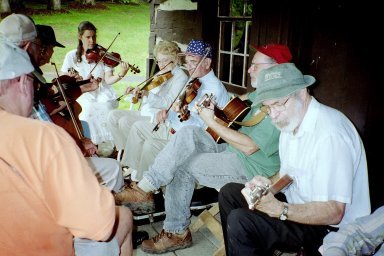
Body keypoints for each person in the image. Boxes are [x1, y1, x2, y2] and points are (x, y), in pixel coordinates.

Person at [117, 43, 292, 254]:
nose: (248, 69)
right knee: (188, 133)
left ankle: (177, 231)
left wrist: (212, 120)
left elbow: (249, 148)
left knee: (183, 164)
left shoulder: (281, 104)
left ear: (276, 69)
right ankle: (145, 187)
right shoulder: (262, 93)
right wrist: (218, 108)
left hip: (252, 167)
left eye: (255, 66)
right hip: (230, 146)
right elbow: (241, 101)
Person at [218, 63, 371, 255]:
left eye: (278, 104)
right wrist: (267, 186)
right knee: (229, 194)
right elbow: (287, 174)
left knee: (242, 221)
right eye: (267, 107)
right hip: (298, 206)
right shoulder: (291, 121)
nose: (273, 114)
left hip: (329, 228)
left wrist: (280, 209)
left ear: (302, 92)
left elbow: (334, 212)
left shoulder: (330, 135)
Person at [0, 39, 133, 256]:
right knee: (123, 217)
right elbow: (100, 226)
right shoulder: (44, 138)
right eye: (33, 85)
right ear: (22, 82)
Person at [113, 39, 229, 207]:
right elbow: (182, 109)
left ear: (208, 62)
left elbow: (199, 127)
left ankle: (145, 191)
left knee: (149, 145)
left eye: (193, 62)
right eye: (187, 62)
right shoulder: (195, 80)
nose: (189, 66)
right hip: (173, 126)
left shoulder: (213, 89)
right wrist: (169, 112)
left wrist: (179, 115)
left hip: (190, 140)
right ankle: (136, 178)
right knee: (138, 128)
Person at [107, 40, 188, 168]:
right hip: (144, 111)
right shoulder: (161, 73)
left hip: (155, 117)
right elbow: (148, 93)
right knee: (112, 115)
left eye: (165, 60)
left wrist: (147, 94)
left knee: (124, 122)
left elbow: (168, 102)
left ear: (175, 59)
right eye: (159, 60)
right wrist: (136, 93)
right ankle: (123, 150)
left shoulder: (180, 77)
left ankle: (131, 163)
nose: (161, 65)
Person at [61, 20, 130, 153]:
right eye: (88, 37)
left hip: (101, 91)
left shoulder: (102, 55)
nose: (92, 40)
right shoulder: (71, 56)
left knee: (106, 107)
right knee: (87, 110)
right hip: (83, 93)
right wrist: (72, 77)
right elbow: (64, 77)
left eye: (94, 36)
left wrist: (121, 74)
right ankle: (93, 145)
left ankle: (111, 147)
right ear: (80, 37)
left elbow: (108, 80)